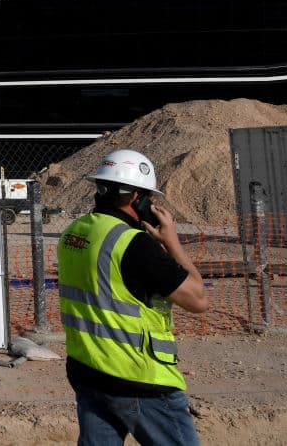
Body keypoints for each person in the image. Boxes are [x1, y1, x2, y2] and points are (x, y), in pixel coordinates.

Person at [57, 148, 208, 445]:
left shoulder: (74, 233)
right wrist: (172, 242)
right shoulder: (133, 244)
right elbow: (198, 300)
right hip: (139, 378)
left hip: (88, 370)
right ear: (137, 197)